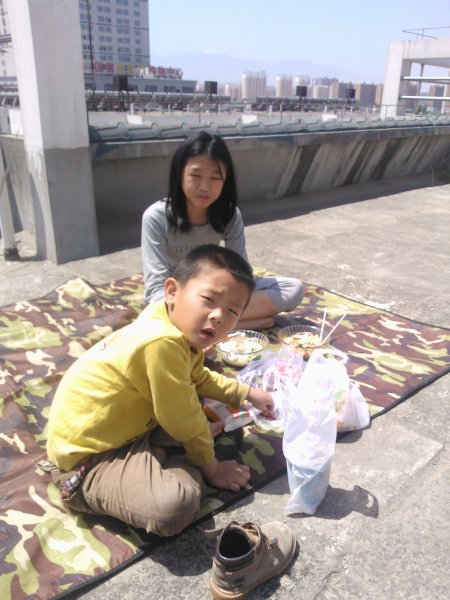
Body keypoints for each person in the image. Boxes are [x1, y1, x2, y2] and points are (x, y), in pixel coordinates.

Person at [46, 244, 274, 537]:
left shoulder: (167, 321)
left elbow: (199, 377)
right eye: (208, 299)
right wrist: (212, 468)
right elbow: (184, 419)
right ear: (171, 291)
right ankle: (171, 456)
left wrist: (245, 393)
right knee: (175, 506)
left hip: (123, 431)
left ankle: (165, 450)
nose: (219, 316)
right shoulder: (161, 342)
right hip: (88, 461)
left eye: (232, 311)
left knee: (192, 407)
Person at [141, 130, 303, 330]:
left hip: (220, 288)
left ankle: (212, 324)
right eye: (196, 175)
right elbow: (156, 290)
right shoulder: (156, 217)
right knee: (157, 310)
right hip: (183, 294)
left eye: (215, 178)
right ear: (180, 174)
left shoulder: (229, 215)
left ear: (225, 181)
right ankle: (239, 321)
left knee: (293, 289)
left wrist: (227, 298)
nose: (204, 187)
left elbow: (242, 275)